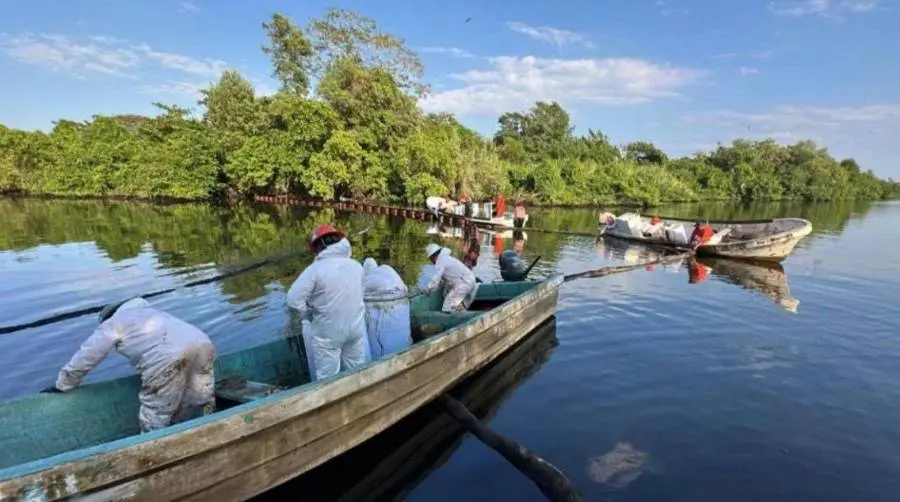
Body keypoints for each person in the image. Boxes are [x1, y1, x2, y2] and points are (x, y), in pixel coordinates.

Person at [42, 297, 217, 433]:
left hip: (166, 358)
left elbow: (88, 355)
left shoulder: (114, 323)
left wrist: (64, 383)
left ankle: (152, 448)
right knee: (199, 398)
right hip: (203, 344)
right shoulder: (154, 313)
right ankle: (207, 430)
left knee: (156, 411)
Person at [287, 224, 369, 381]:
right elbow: (361, 293)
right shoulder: (356, 266)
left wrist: (307, 314)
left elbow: (293, 299)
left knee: (328, 377)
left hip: (328, 334)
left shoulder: (315, 270)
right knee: (356, 370)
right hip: (355, 330)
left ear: (320, 246)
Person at [362, 258, 412, 359]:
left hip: (387, 306)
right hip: (402, 300)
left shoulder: (369, 278)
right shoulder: (386, 268)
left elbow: (360, 291)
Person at [424, 243, 478, 313]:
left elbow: (435, 280)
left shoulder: (440, 261)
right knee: (452, 301)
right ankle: (462, 314)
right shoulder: (446, 258)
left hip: (465, 283)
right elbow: (442, 280)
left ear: (433, 256)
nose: (431, 261)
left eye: (430, 259)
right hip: (469, 280)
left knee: (447, 305)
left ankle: (450, 317)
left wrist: (428, 290)